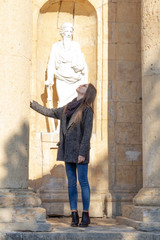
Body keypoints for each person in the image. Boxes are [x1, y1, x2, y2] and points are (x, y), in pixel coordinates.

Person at [30, 83, 97, 227]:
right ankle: (74, 214)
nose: (81, 85)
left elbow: (87, 134)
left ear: (87, 93)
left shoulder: (87, 110)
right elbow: (51, 112)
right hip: (67, 150)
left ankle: (86, 214)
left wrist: (82, 153)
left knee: (83, 182)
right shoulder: (68, 107)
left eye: (85, 85)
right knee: (71, 184)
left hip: (80, 152)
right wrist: (32, 104)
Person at [45, 22, 88, 108]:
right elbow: (51, 63)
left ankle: (74, 121)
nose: (68, 34)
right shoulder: (56, 46)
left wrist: (84, 78)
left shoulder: (76, 46)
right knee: (62, 101)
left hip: (75, 77)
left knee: (75, 101)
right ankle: (62, 121)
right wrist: (49, 79)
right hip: (61, 76)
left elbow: (81, 62)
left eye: (70, 32)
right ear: (62, 32)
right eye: (67, 31)